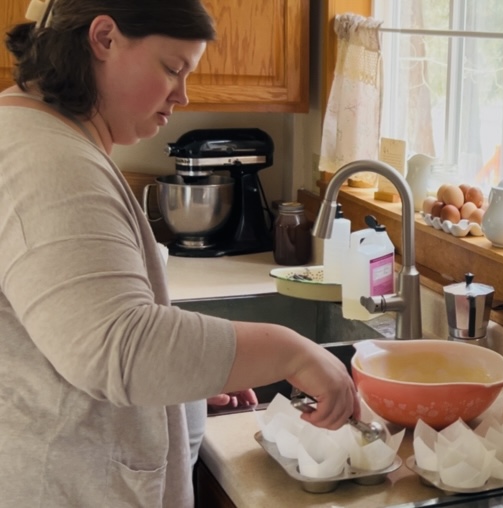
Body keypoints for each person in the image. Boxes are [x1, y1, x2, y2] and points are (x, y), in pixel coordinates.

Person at [0, 1, 359, 506]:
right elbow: (121, 349)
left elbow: (73, 336)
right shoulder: (50, 163)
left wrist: (185, 385)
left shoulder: (41, 141)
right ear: (103, 39)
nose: (182, 95)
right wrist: (290, 350)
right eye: (172, 68)